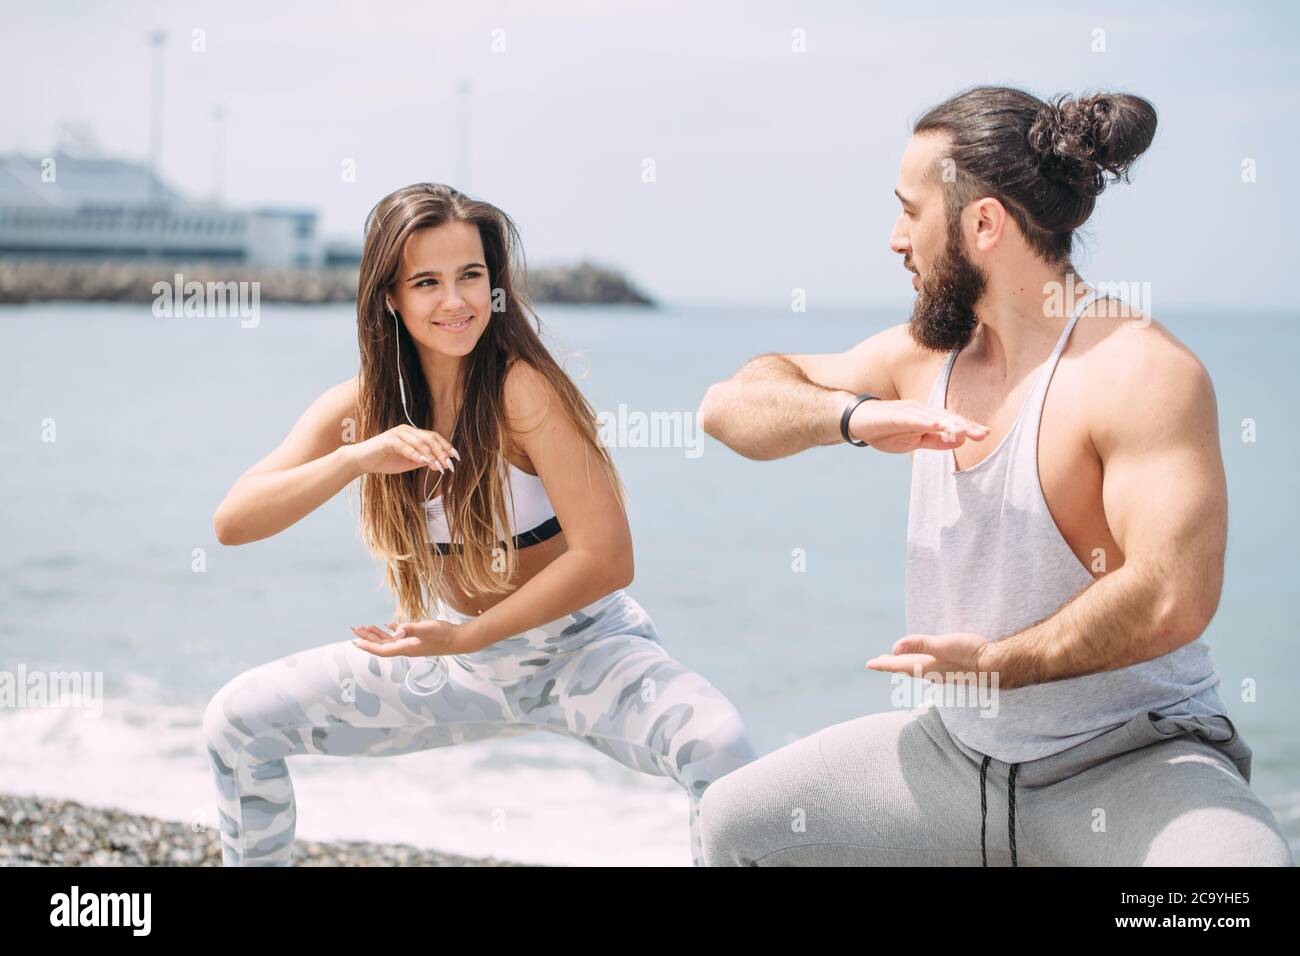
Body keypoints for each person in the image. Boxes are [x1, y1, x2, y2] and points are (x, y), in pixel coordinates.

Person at [694, 87, 1293, 866]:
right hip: (955, 760)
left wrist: (995, 666)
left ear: (983, 223)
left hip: (1128, 763)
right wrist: (847, 418)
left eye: (910, 212)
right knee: (735, 826)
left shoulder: (1138, 371)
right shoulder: (926, 355)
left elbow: (1172, 595)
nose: (895, 239)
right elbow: (726, 405)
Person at [204, 182, 756, 867]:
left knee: (722, 751)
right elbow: (234, 521)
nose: (455, 300)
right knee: (237, 724)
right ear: (390, 298)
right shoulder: (361, 409)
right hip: (454, 663)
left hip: (580, 650)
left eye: (471, 276)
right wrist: (356, 457)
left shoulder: (524, 390)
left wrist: (468, 634)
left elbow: (608, 558)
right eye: (427, 282)